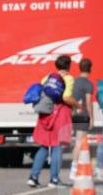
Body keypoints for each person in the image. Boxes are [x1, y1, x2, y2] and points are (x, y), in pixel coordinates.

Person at [27, 55, 81, 188]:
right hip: (61, 114)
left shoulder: (47, 77)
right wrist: (78, 106)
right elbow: (66, 97)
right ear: (69, 66)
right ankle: (54, 179)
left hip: (46, 114)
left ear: (56, 66)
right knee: (58, 146)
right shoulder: (68, 79)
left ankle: (33, 177)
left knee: (44, 146)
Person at [68, 58, 95, 181]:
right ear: (90, 69)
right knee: (79, 142)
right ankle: (74, 169)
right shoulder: (88, 84)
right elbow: (88, 102)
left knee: (76, 142)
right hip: (82, 114)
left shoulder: (73, 81)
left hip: (72, 114)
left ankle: (75, 167)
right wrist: (91, 117)